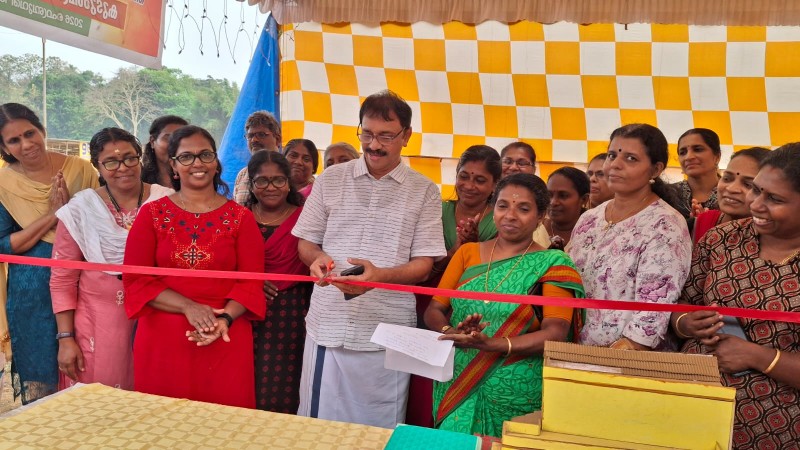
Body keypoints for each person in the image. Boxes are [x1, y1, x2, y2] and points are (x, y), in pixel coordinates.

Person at [293, 90, 446, 428]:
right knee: (317, 430)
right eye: (367, 134)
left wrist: (380, 277)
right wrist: (317, 259)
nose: (374, 145)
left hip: (386, 334)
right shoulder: (331, 179)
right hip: (328, 324)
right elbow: (306, 242)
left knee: (377, 431)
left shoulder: (424, 191)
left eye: (386, 136)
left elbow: (424, 265)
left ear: (406, 135)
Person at [424, 173, 584, 437]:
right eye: (502, 205)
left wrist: (494, 344)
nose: (510, 215)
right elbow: (434, 309)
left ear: (540, 215)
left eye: (523, 209)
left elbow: (556, 332)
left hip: (515, 384)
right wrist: (449, 331)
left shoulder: (554, 263)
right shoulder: (467, 253)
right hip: (459, 376)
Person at [123, 125, 265, 408]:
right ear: (173, 166)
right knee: (162, 421)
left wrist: (223, 320)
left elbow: (251, 284)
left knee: (223, 421)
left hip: (224, 334)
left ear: (215, 162)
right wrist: (188, 307)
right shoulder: (151, 215)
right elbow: (136, 281)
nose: (197, 163)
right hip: (164, 338)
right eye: (186, 157)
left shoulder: (241, 218)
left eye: (205, 155)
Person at [673, 144, 800, 448]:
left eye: (775, 199)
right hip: (693, 407)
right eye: (757, 190)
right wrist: (686, 323)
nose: (756, 204)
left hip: (777, 428)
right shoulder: (721, 239)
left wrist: (759, 357)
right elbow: (683, 304)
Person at [50, 128, 173, 390]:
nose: (123, 167)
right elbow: (62, 279)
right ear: (97, 166)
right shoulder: (81, 209)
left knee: (156, 397)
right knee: (103, 403)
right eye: (111, 162)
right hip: (97, 326)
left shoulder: (167, 201)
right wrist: (65, 338)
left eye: (129, 158)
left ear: (140, 158)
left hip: (159, 317)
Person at [0, 103, 98, 404]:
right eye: (14, 140)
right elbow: (4, 244)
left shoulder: (80, 170)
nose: (26, 144)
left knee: (89, 366)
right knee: (41, 377)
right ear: (3, 147)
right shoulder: (4, 184)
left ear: (42, 130)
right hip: (32, 294)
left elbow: (99, 224)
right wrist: (55, 214)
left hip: (83, 286)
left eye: (30, 133)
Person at [569, 123, 691, 351]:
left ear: (655, 170)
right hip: (571, 349)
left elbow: (653, 312)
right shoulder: (589, 219)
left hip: (627, 359)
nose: (615, 164)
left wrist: (615, 357)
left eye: (631, 158)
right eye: (611, 155)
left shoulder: (665, 225)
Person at [407, 144, 500, 428]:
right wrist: (457, 249)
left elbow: (501, 269)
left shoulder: (499, 218)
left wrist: (473, 248)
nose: (469, 185)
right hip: (429, 303)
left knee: (461, 373)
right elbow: (422, 263)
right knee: (424, 376)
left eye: (480, 180)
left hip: (475, 308)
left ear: (494, 184)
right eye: (464, 176)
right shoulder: (436, 210)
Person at [246, 151, 311, 413]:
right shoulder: (238, 217)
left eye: (279, 180)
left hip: (293, 313)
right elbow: (226, 263)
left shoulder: (306, 220)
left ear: (288, 183)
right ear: (252, 184)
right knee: (248, 379)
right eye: (262, 181)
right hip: (245, 311)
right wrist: (252, 281)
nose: (271, 187)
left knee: (287, 382)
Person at [692, 147, 770, 243]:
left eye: (748, 184)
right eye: (727, 179)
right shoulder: (699, 224)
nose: (731, 188)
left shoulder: (775, 241)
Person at [499, 142, 550, 249]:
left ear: (534, 169)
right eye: (507, 162)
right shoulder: (484, 198)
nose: (513, 167)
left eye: (522, 163)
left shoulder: (541, 199)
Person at [233, 111, 282, 205]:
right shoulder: (242, 175)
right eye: (250, 136)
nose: (254, 140)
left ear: (277, 139)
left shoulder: (290, 172)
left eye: (261, 134)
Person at [673, 128, 722, 217]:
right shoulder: (668, 194)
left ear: (717, 156)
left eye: (697, 149)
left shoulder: (731, 195)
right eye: (683, 152)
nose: (688, 157)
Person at [544, 167, 590, 250]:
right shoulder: (532, 230)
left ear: (584, 199)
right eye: (549, 195)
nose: (553, 202)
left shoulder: (593, 233)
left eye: (563, 196)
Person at [141, 115, 188, 187]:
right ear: (152, 141)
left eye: (182, 139)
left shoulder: (196, 178)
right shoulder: (138, 180)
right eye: (169, 139)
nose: (176, 145)